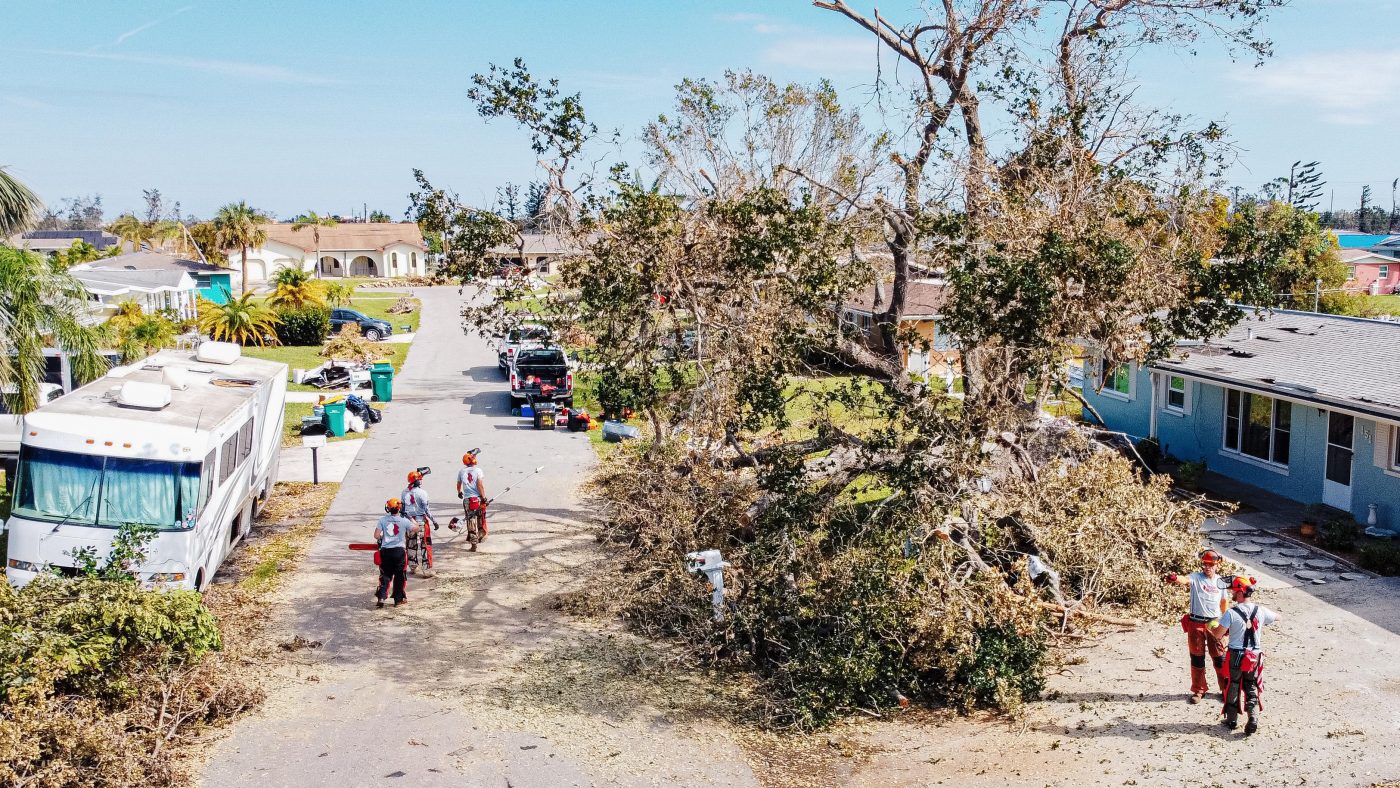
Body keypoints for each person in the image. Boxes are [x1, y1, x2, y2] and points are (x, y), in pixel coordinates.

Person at [1213, 576, 1280, 734]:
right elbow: (1278, 617)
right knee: (1251, 686)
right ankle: (1253, 718)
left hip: (1236, 654)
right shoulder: (1261, 610)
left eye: (1235, 591)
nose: (1232, 594)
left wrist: (1213, 627)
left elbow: (1218, 634)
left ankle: (1232, 720)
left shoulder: (1231, 613)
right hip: (1254, 656)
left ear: (1241, 593)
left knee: (1233, 686)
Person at [1164, 549, 1232, 703]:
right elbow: (1184, 580)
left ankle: (1225, 689)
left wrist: (1226, 622)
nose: (1207, 567)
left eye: (1211, 565)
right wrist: (1174, 578)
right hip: (1196, 622)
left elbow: (1224, 603)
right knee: (1197, 658)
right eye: (1205, 564)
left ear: (1217, 566)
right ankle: (1199, 690)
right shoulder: (1196, 577)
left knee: (1220, 658)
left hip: (1214, 623)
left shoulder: (1221, 582)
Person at [374, 498, 418, 608]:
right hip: (399, 551)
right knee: (399, 575)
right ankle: (398, 600)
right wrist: (410, 518)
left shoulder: (382, 520)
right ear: (399, 508)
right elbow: (417, 528)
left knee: (386, 574)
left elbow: (376, 535)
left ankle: (382, 597)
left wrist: (382, 538)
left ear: (388, 508)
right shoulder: (404, 521)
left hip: (386, 551)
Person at [454, 452, 489, 544]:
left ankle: (473, 537)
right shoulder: (478, 470)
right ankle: (481, 534)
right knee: (480, 516)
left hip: (467, 500)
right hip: (477, 499)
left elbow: (458, 484)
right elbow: (480, 485)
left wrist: (459, 492)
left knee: (470, 517)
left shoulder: (461, 471)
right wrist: (484, 498)